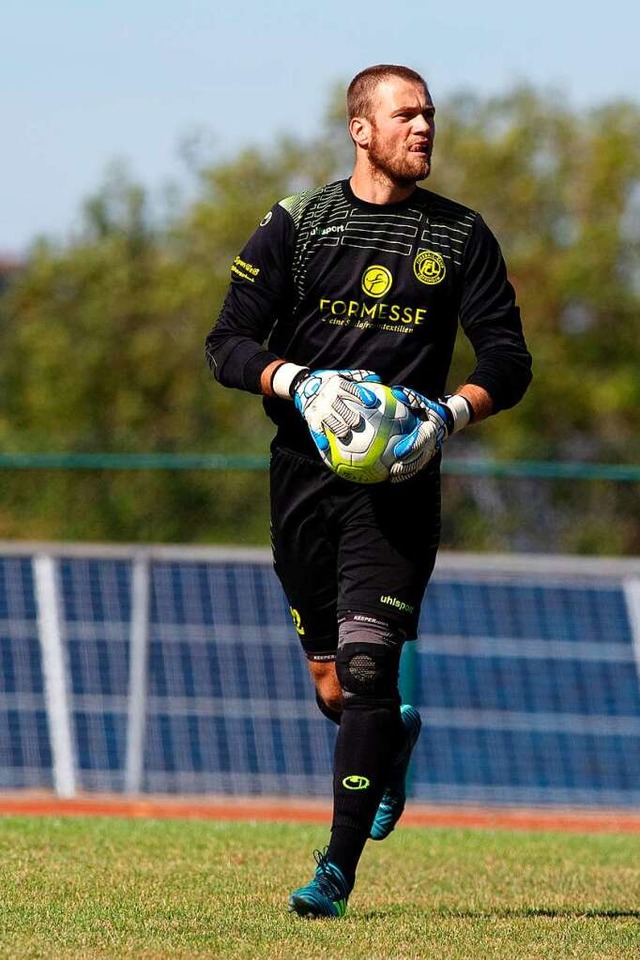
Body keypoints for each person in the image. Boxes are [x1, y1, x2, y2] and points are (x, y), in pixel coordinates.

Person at [205, 63, 532, 918]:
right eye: (406, 115)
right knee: (333, 685)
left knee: (367, 662)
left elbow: (508, 360)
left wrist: (450, 414)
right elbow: (227, 343)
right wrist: (299, 383)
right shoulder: (300, 224)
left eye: (430, 115)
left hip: (400, 491)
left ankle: (334, 873)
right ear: (361, 128)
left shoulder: (462, 236)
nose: (424, 128)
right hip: (302, 483)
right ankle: (388, 739)